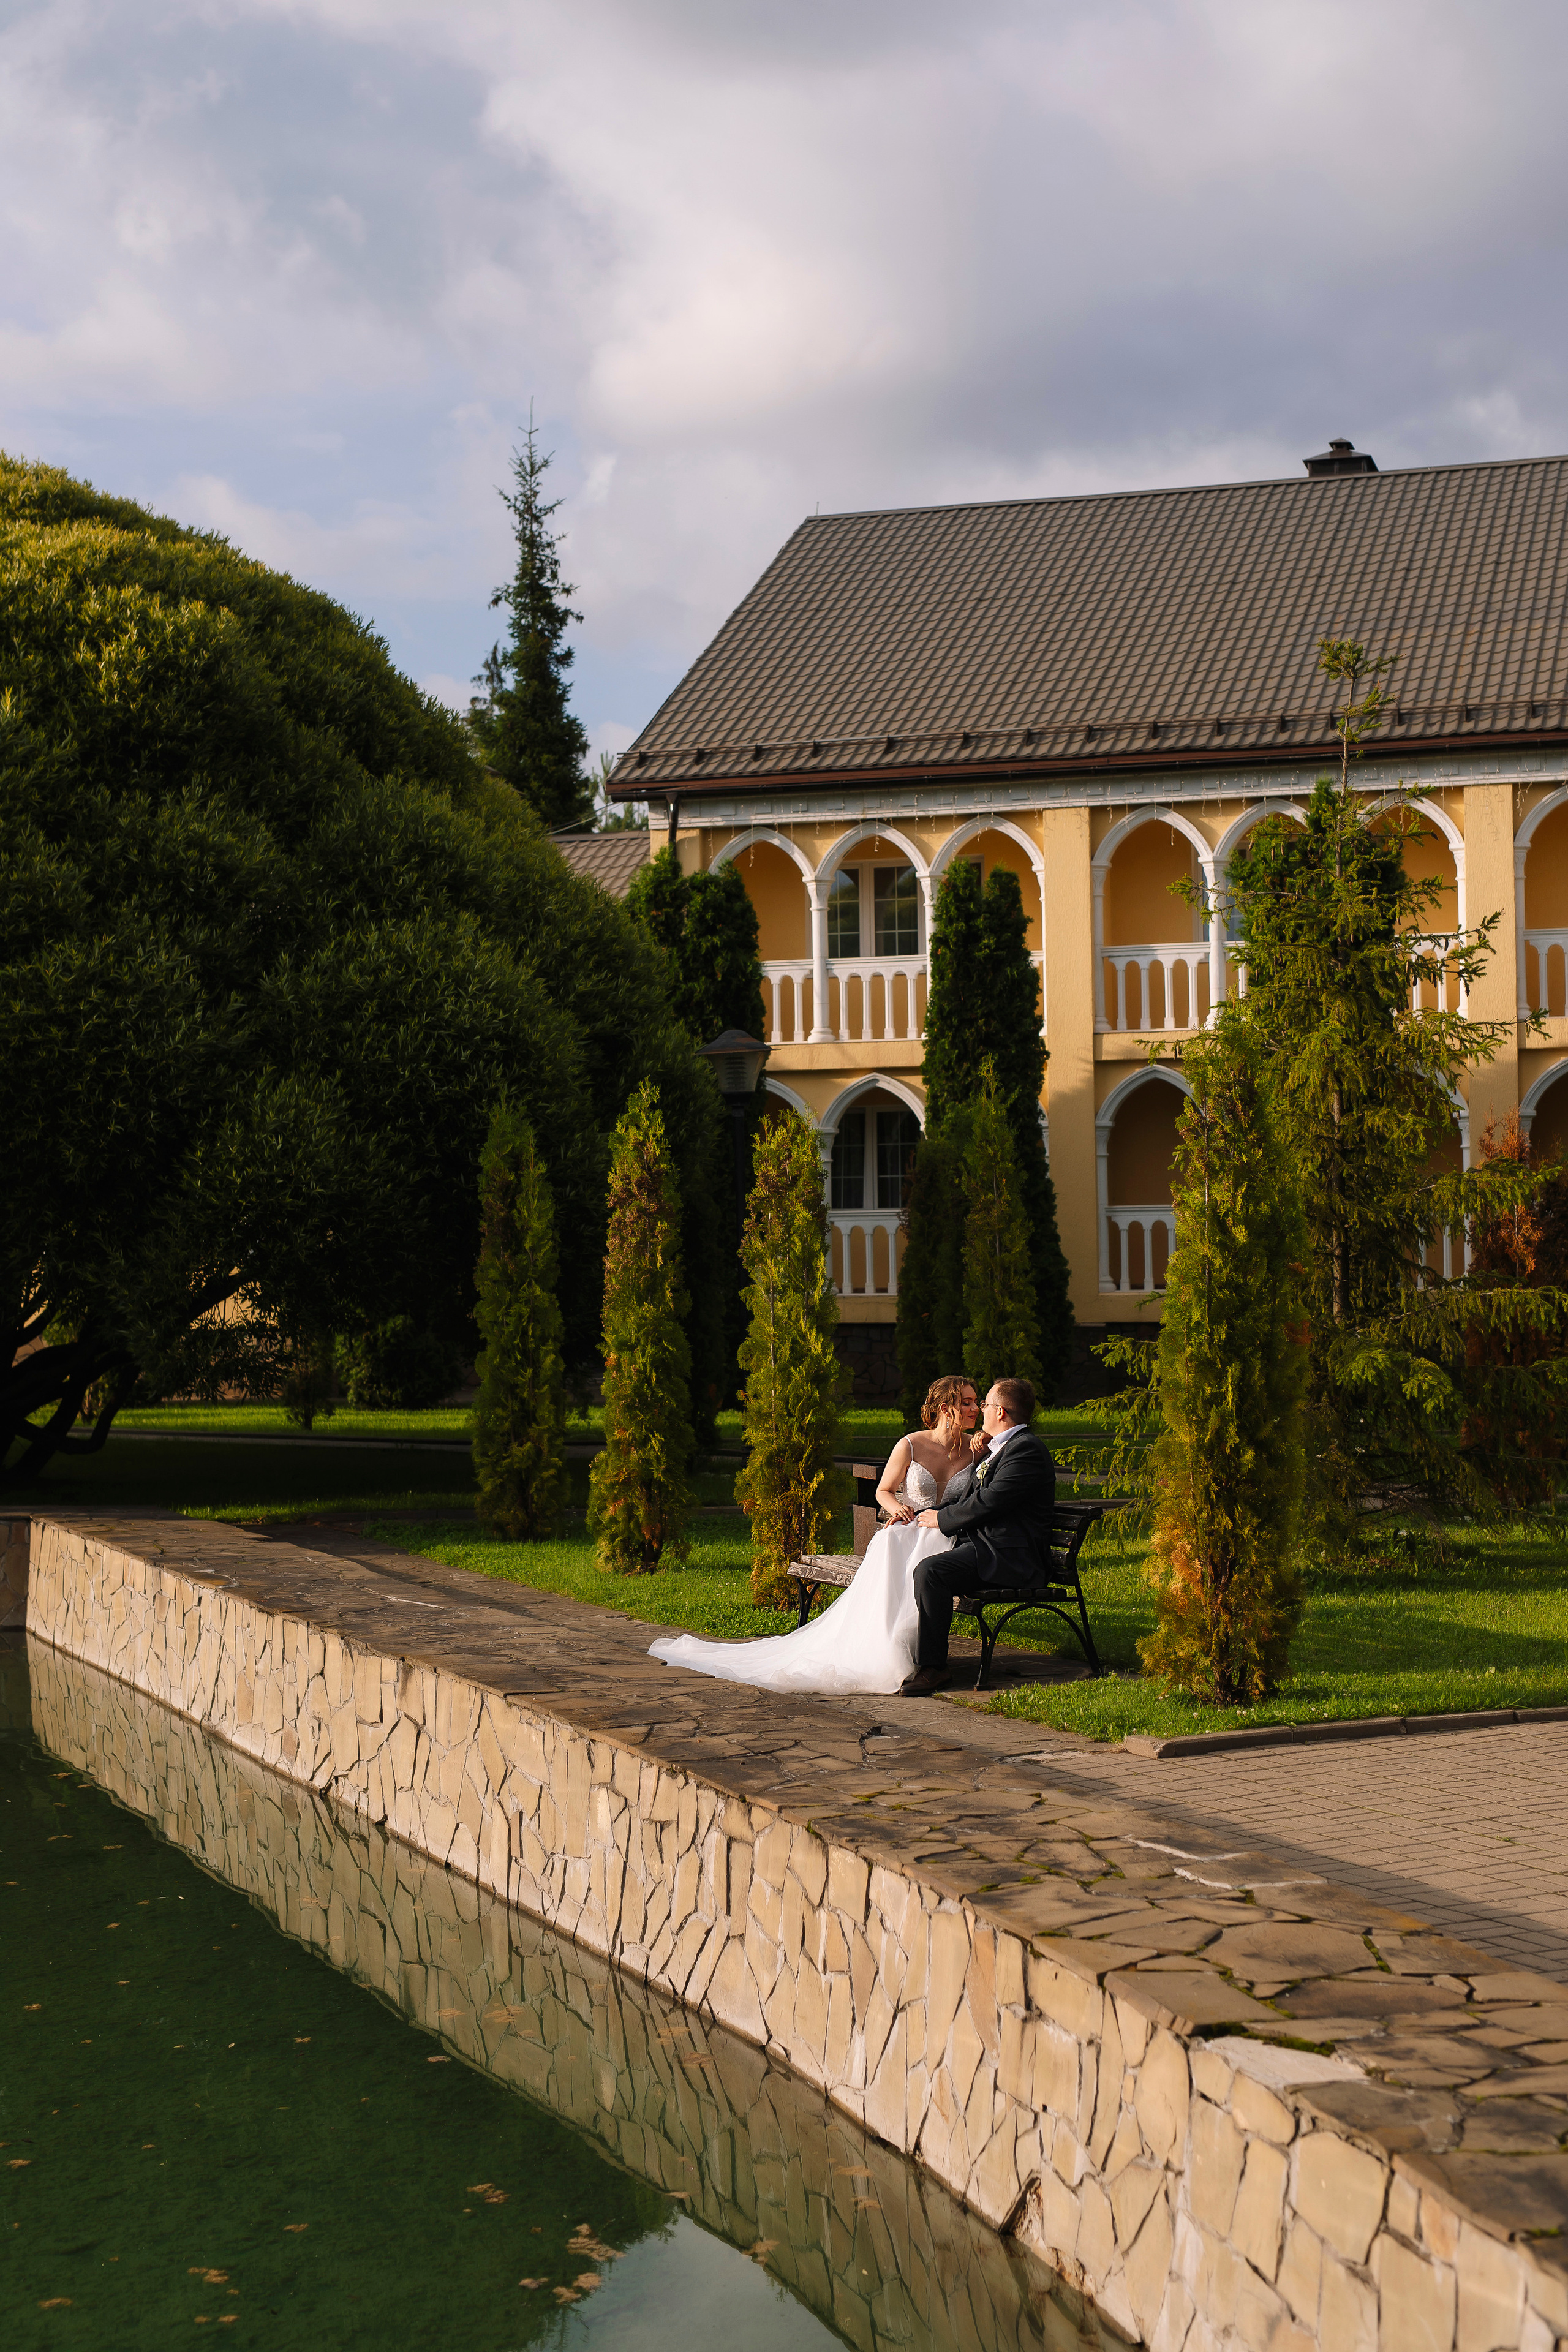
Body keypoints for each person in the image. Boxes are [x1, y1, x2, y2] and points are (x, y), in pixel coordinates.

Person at [646, 1376, 984, 1695]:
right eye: (967, 1402)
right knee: (892, 1541)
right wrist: (896, 1508)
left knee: (927, 1555)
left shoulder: (976, 1448)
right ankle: (888, 1652)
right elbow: (883, 1491)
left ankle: (920, 1656)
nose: (975, 1409)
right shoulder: (910, 1444)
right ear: (945, 1408)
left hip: (946, 1533)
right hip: (907, 1529)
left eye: (976, 1403)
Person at [899, 1376, 1055, 1697]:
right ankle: (908, 1654)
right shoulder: (1002, 1447)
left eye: (984, 1404)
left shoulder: (1026, 1450)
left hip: (1010, 1557)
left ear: (1000, 1412)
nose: (980, 1409)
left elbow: (991, 1501)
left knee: (931, 1572)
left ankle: (935, 1668)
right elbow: (969, 1496)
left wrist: (942, 1520)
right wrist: (923, 1515)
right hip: (987, 1546)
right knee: (913, 1557)